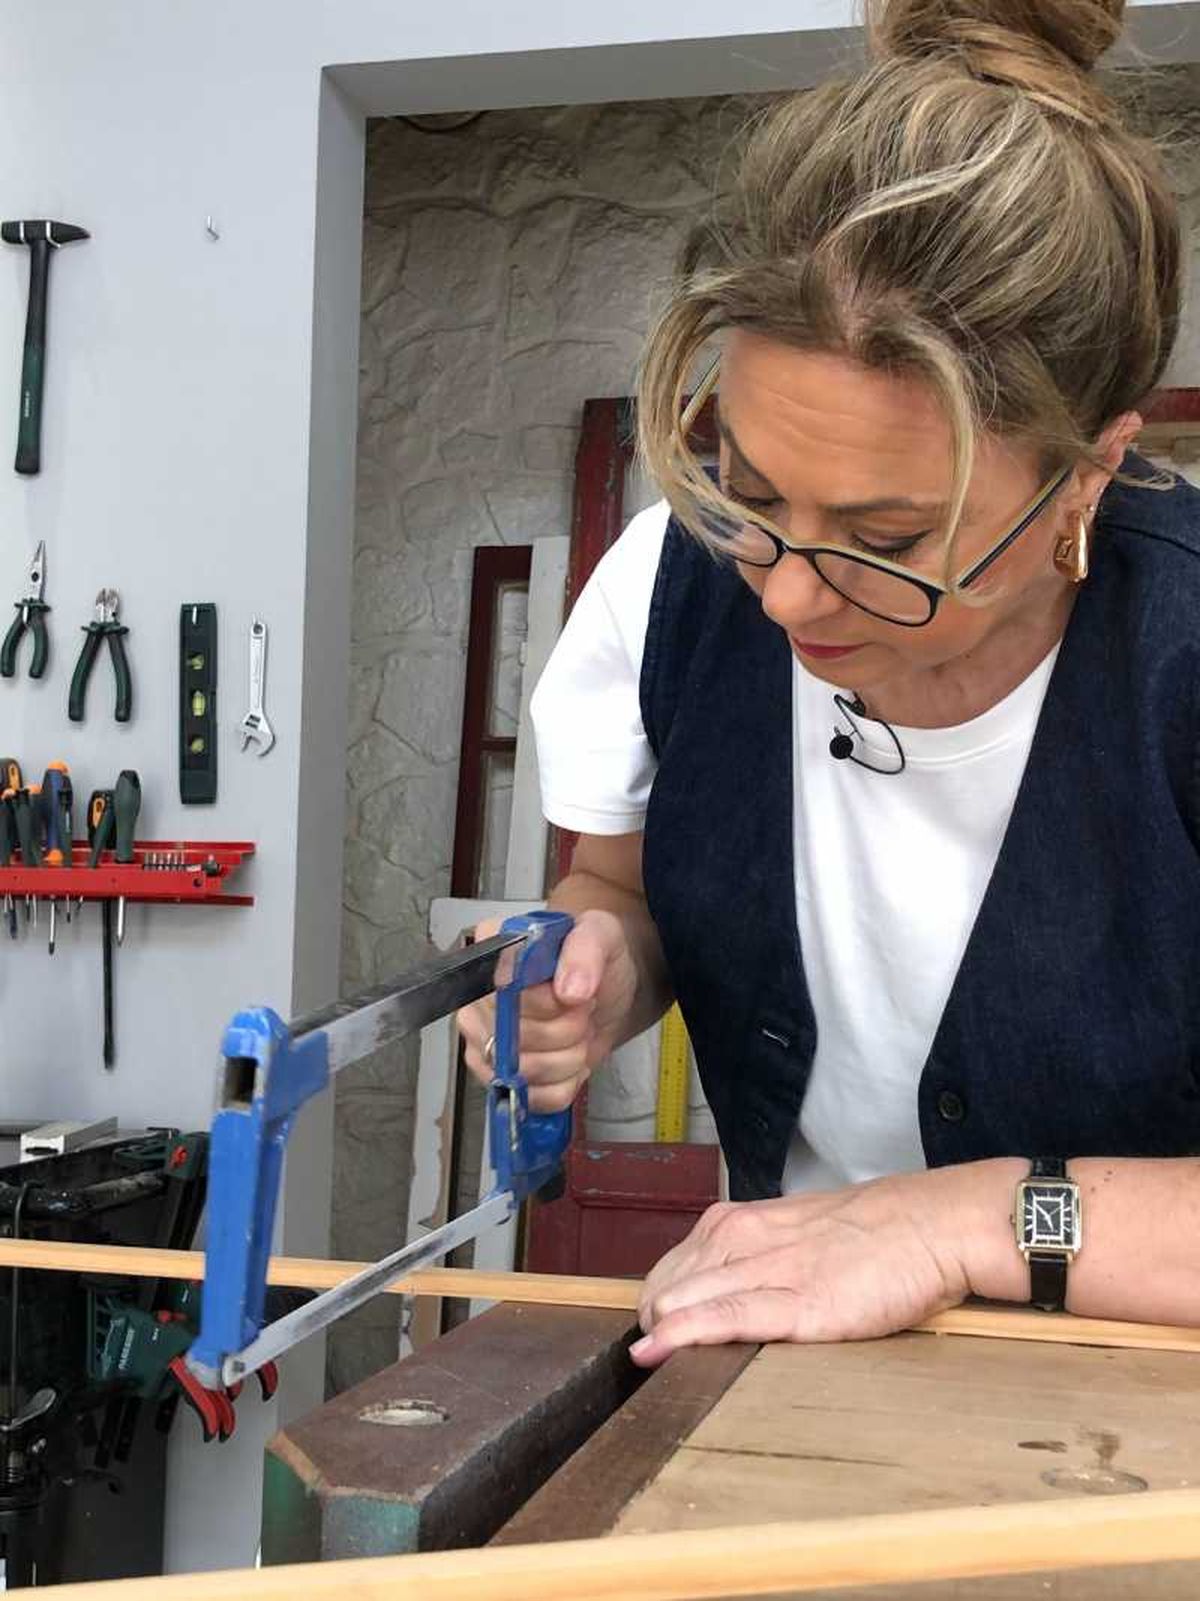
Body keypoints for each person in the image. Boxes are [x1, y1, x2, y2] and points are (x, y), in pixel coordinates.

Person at [458, 0, 1200, 1367]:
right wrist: (602, 970)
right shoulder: (669, 590)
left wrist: (951, 1224)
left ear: (1089, 474)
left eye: (885, 540)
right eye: (750, 494)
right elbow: (616, 887)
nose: (790, 591)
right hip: (789, 1373)